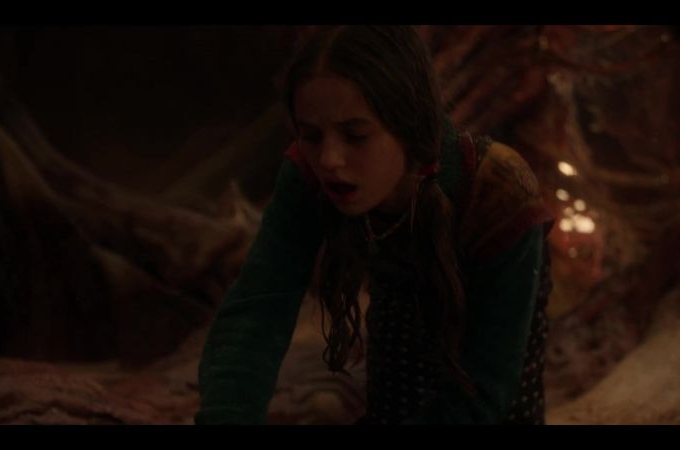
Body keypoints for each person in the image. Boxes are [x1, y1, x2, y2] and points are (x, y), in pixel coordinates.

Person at [195, 25, 554, 425]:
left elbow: (486, 385)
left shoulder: (498, 188)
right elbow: (256, 311)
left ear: (409, 124)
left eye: (355, 135)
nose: (329, 159)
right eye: (311, 135)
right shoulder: (310, 172)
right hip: (389, 403)